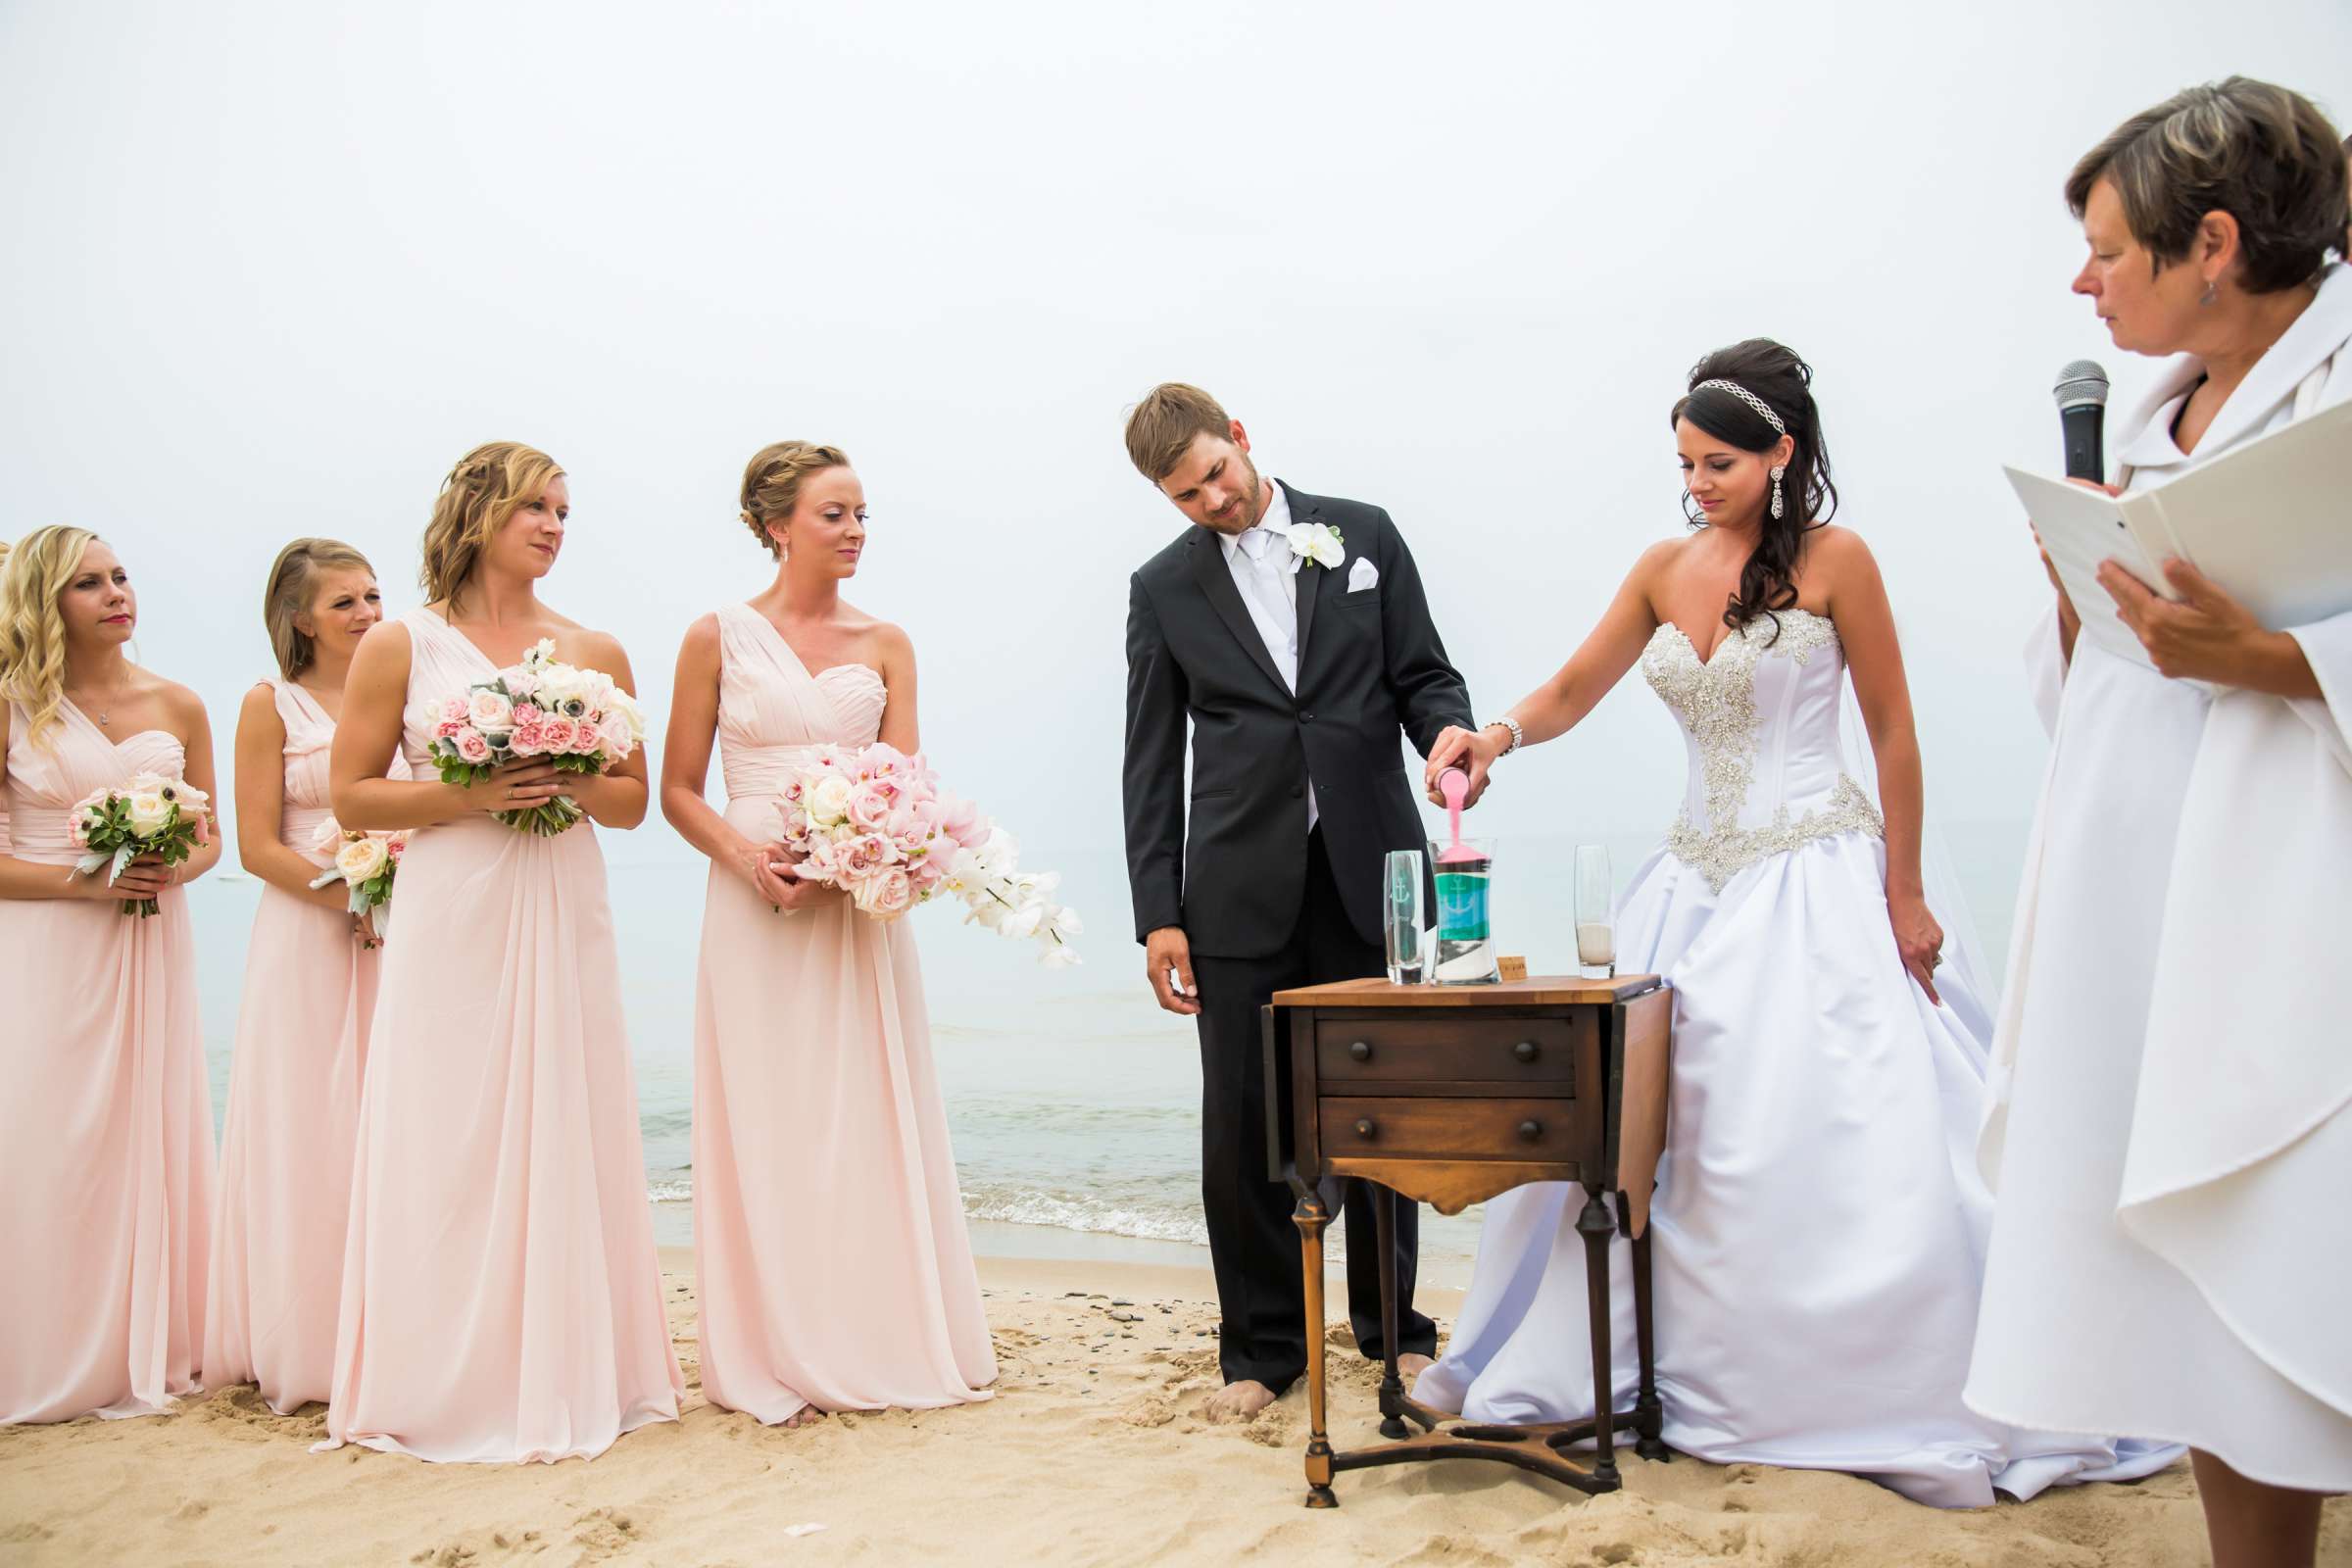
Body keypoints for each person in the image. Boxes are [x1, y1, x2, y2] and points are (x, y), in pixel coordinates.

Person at [1413, 341, 2177, 1507]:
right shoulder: (1664, 569)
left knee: (1816, 1124)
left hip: (1815, 871)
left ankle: (1848, 1374)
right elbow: (1574, 689)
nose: (1696, 483)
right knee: (1627, 1112)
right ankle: (1619, 1364)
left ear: (1783, 452)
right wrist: (1495, 739)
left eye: (1718, 461)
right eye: (1683, 462)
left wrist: (1905, 891)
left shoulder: (1839, 560)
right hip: (1688, 882)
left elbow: (1896, 733)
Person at [1968, 78, 2352, 1567]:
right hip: (2137, 888)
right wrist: (2077, 606)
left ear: (2213, 242)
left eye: (2108, 250)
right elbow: (2103, 688)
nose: (2083, 280)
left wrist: (2269, 661)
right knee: (2190, 1273)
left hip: (2288, 891)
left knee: (2292, 1231)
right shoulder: (2141, 413)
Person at [320, 443, 681, 1461]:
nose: (555, 527)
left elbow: (630, 801)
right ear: (479, 513)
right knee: (448, 1122)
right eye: (536, 507)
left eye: (565, 511)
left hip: (562, 896)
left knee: (566, 1106)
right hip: (451, 904)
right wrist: (471, 794)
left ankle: (567, 1363)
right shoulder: (400, 644)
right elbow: (353, 794)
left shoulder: (594, 649)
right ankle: (442, 1371)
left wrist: (562, 770)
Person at [1119, 382, 1471, 1419]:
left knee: (1387, 1111)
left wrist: (1451, 739)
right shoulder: (1162, 590)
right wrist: (1159, 911)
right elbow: (1149, 760)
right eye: (1186, 497)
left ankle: (1394, 1337)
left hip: (1377, 872)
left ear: (1241, 438)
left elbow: (1425, 677)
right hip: (1232, 887)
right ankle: (1261, 1353)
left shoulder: (1363, 534)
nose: (1213, 502)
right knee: (1241, 1125)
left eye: (1217, 476)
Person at [661, 442, 994, 1427]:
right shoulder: (714, 636)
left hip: (855, 907)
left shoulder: (887, 642)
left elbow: (908, 785)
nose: (853, 533)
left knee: (860, 1108)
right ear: (775, 524)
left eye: (861, 516)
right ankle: (773, 1341)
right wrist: (742, 855)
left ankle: (874, 1329)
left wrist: (886, 850)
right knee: (769, 1110)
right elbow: (677, 789)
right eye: (833, 515)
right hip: (755, 898)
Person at [0, 526, 220, 1423]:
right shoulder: (13, 706)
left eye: (121, 576)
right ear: (47, 602)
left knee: (151, 1126)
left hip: (151, 933)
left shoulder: (180, 700)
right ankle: (48, 1342)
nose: (116, 594)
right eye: (89, 583)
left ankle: (156, 1337)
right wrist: (83, 885)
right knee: (54, 1136)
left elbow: (211, 841)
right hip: (51, 940)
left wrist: (171, 868)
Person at [205, 540, 399, 1412]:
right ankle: (309, 1337)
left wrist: (398, 895)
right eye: (344, 604)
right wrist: (348, 896)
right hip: (309, 930)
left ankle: (393, 1322)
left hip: (402, 931)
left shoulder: (400, 693)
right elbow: (256, 847)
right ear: (299, 620)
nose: (365, 614)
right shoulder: (267, 703)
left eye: (373, 596)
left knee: (391, 1121)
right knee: (311, 1127)